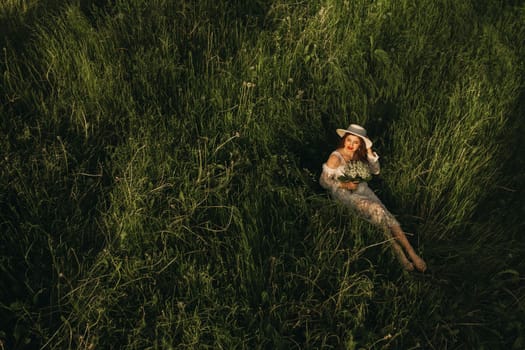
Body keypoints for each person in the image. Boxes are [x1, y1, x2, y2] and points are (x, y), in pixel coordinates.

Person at [319, 123, 427, 272]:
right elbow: (324, 182)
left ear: (360, 144)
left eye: (356, 142)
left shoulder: (359, 154)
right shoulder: (335, 157)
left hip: (362, 189)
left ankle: (411, 252)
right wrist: (344, 185)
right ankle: (399, 253)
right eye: (349, 140)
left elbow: (375, 170)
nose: (351, 145)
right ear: (344, 139)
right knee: (377, 210)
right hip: (344, 193)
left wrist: (369, 151)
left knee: (386, 214)